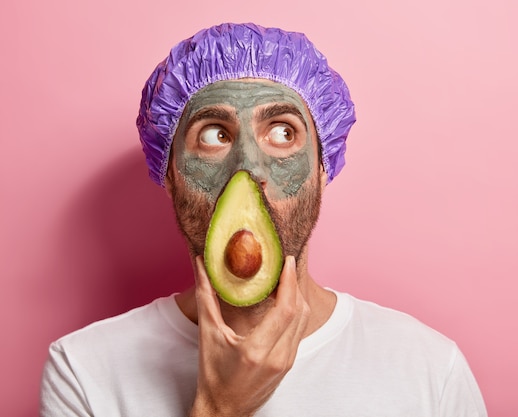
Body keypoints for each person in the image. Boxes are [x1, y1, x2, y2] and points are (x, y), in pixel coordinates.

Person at [40, 22, 488, 416]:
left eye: (283, 132)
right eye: (214, 135)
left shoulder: (430, 369)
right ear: (170, 174)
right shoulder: (83, 370)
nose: (248, 170)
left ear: (321, 168)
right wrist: (219, 408)